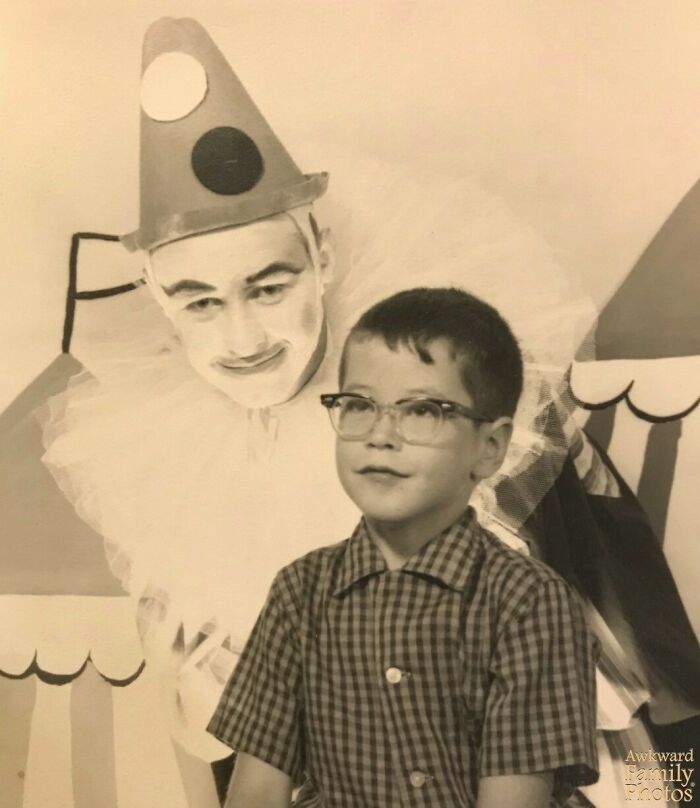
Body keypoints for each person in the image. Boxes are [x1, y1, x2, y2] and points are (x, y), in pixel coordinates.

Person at [40, 16, 696, 807]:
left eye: (269, 286)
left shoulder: (471, 413)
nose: (242, 336)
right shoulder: (160, 468)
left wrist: (675, 788)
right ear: (155, 296)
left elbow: (637, 649)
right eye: (200, 301)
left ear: (320, 255)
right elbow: (230, 736)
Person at [209, 288, 599, 808]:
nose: (380, 435)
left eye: (422, 411)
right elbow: (256, 793)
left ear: (490, 447)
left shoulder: (529, 600)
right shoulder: (298, 591)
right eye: (358, 405)